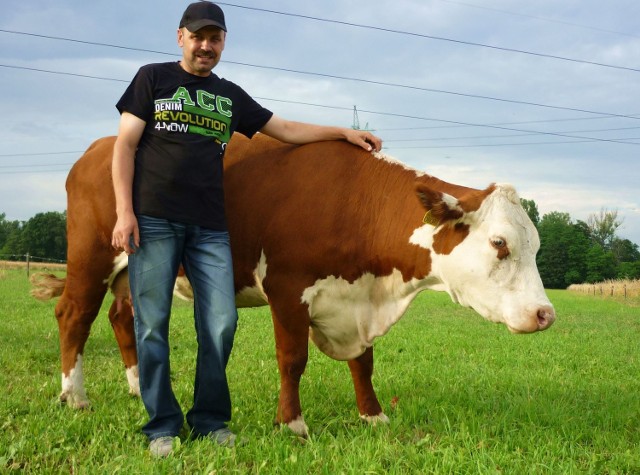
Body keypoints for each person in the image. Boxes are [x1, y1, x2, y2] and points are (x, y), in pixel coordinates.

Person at [110, 1, 382, 458]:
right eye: (198, 36)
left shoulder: (229, 95)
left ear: (223, 43)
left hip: (211, 227)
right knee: (153, 324)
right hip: (155, 219)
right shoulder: (151, 79)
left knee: (221, 322)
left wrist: (342, 132)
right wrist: (124, 211)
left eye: (214, 38)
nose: (205, 45)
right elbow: (125, 145)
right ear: (181, 37)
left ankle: (210, 419)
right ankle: (162, 424)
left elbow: (285, 129)